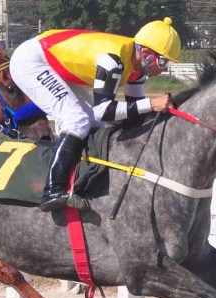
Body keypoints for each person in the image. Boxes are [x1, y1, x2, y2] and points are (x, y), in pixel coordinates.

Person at [10, 17, 181, 213]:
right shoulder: (113, 61)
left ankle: (82, 178)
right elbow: (104, 111)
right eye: (163, 61)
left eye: (168, 63)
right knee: (76, 120)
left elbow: (133, 115)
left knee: (93, 123)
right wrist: (152, 104)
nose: (164, 69)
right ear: (146, 53)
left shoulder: (138, 68)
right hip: (32, 61)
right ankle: (53, 190)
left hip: (52, 62)